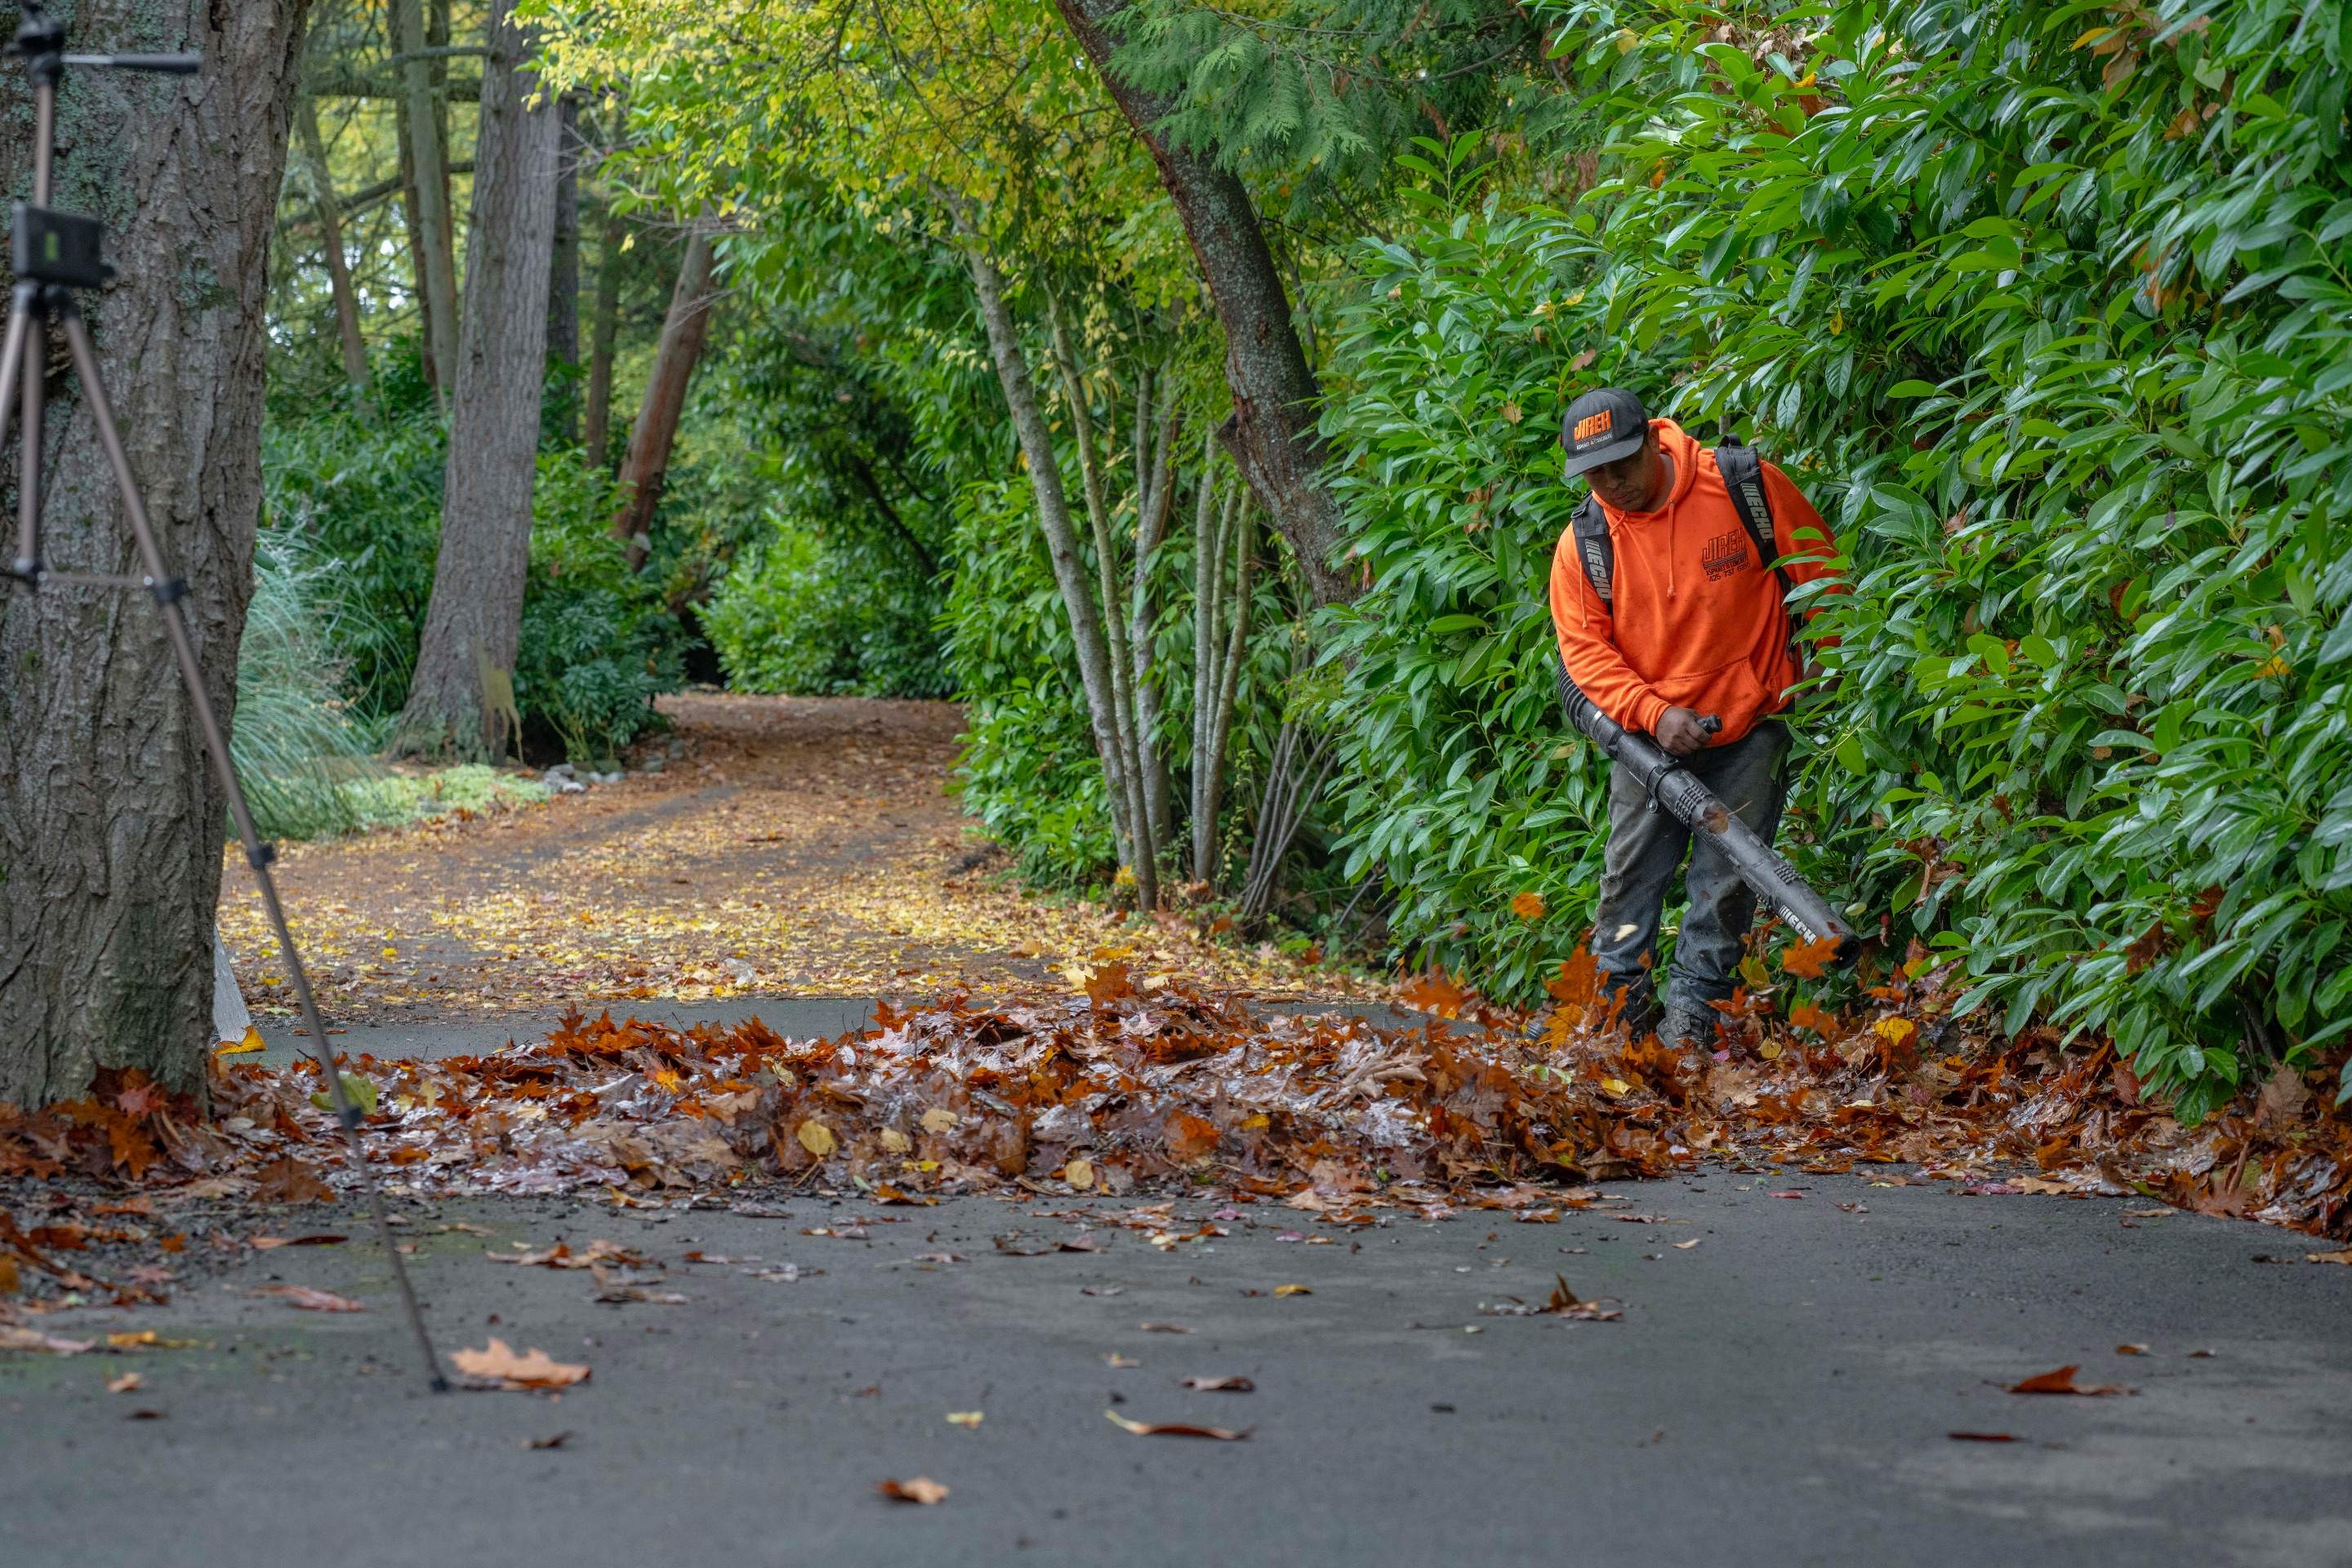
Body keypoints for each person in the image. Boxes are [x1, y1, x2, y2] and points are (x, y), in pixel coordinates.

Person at [1548, 386, 1838, 1049]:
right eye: (1595, 472)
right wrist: (1653, 713)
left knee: (1725, 890)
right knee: (1627, 883)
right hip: (1649, 746)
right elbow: (1584, 657)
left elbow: (1819, 572)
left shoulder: (1743, 487)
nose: (1613, 483)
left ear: (1654, 439)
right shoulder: (1585, 544)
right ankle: (1617, 1027)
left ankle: (1692, 1032)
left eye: (1623, 463)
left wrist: (1831, 664)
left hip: (1752, 728)